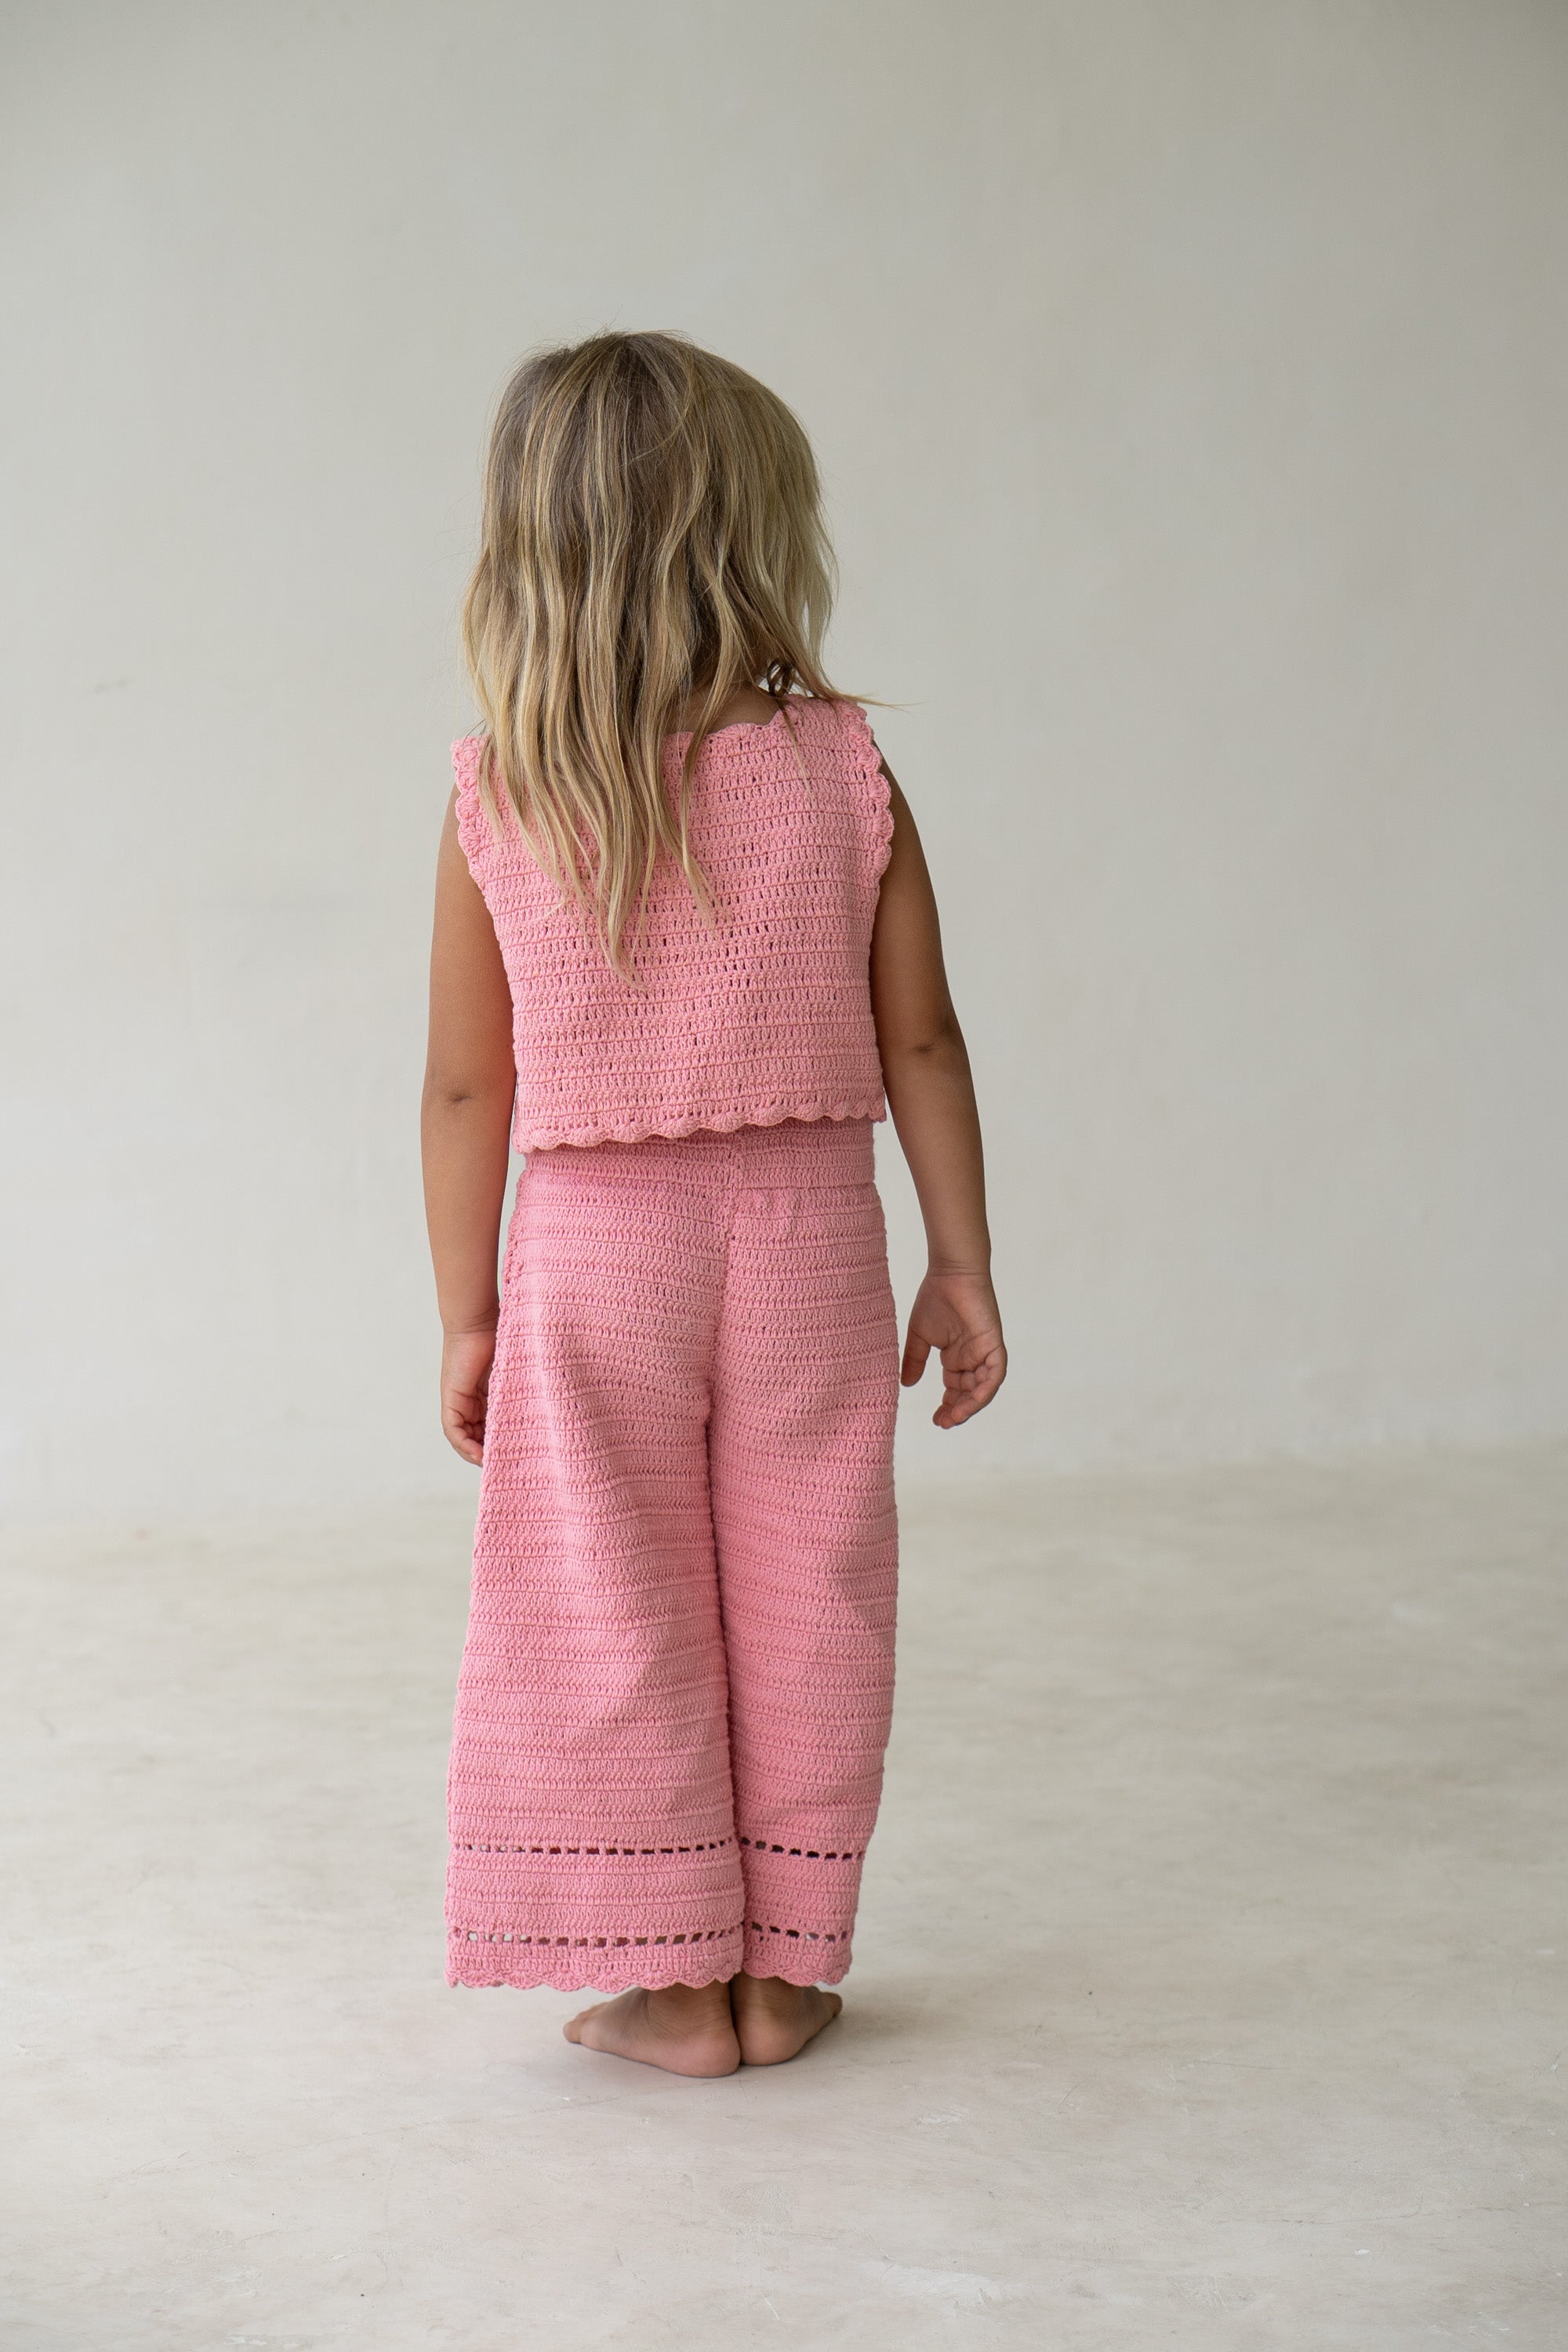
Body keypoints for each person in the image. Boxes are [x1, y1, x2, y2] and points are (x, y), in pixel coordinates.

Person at [421, 331, 1005, 2078]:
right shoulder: (840, 769)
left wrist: (467, 1307)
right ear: (755, 537)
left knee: (608, 1591)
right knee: (811, 1576)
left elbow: (471, 1087)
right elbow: (922, 1033)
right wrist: (961, 1261)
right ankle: (789, 1963)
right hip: (816, 1232)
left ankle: (671, 1984)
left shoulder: (502, 793)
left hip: (599, 1254)